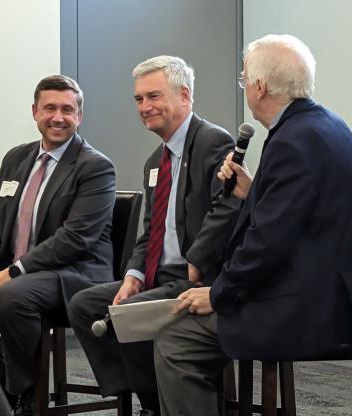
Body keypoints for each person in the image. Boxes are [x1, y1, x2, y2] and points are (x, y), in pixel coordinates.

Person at [153, 34, 352, 416]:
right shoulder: (325, 126)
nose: (245, 85)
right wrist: (251, 193)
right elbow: (298, 219)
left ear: (260, 87)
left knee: (175, 340)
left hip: (305, 307)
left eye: (244, 78)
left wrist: (217, 293)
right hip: (329, 293)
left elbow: (267, 244)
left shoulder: (291, 142)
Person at [68, 55, 241, 416]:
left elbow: (228, 207)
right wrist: (133, 275)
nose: (145, 107)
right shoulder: (154, 162)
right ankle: (145, 397)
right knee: (86, 305)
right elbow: (151, 229)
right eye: (139, 99)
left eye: (154, 97)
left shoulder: (212, 141)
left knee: (128, 316)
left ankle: (155, 402)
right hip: (158, 277)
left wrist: (198, 259)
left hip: (195, 279)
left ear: (184, 95)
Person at [0, 75, 116, 416]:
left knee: (13, 296)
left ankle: (23, 394)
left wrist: (9, 274)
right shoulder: (16, 159)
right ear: (34, 112)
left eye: (67, 109)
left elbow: (75, 239)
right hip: (19, 270)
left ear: (79, 116)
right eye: (50, 108)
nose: (58, 116)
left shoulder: (95, 167)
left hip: (72, 274)